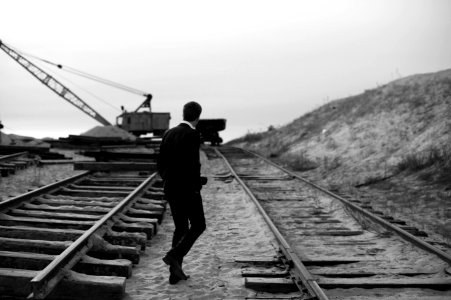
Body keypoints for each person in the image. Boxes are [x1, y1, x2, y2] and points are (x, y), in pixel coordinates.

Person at [157, 101, 207, 284]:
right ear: (198, 116)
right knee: (199, 225)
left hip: (171, 188)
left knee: (181, 228)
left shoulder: (168, 133)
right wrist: (197, 184)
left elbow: (161, 164)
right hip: (188, 190)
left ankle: (174, 275)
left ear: (184, 114)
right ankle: (173, 255)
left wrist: (169, 180)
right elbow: (192, 165)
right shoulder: (192, 134)